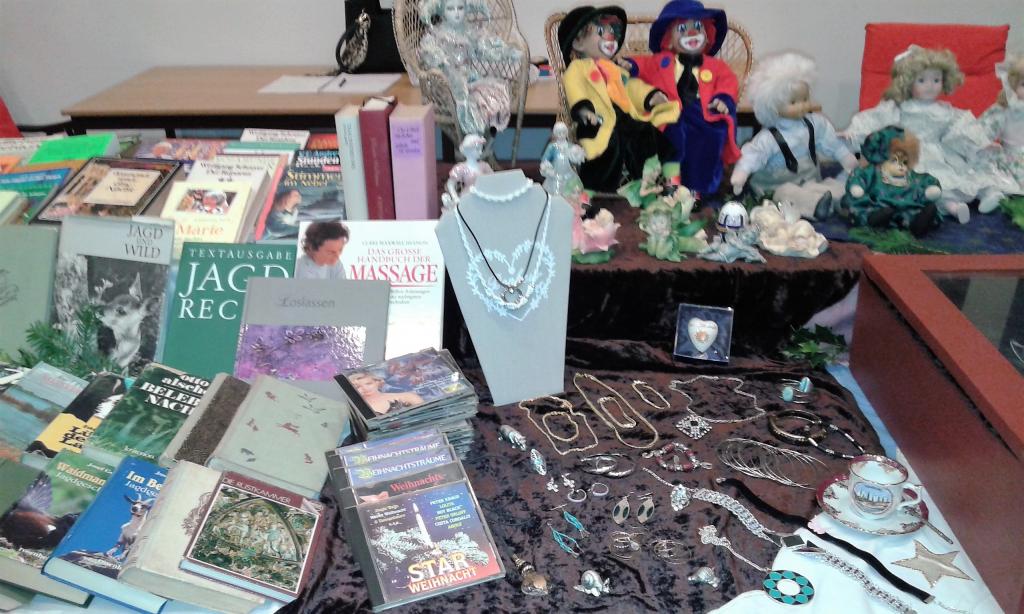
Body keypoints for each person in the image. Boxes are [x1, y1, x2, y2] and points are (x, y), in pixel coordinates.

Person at [347, 371, 425, 416]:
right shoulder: (354, 411)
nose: (365, 388)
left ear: (377, 382)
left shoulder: (407, 396)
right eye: (358, 387)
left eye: (368, 384)